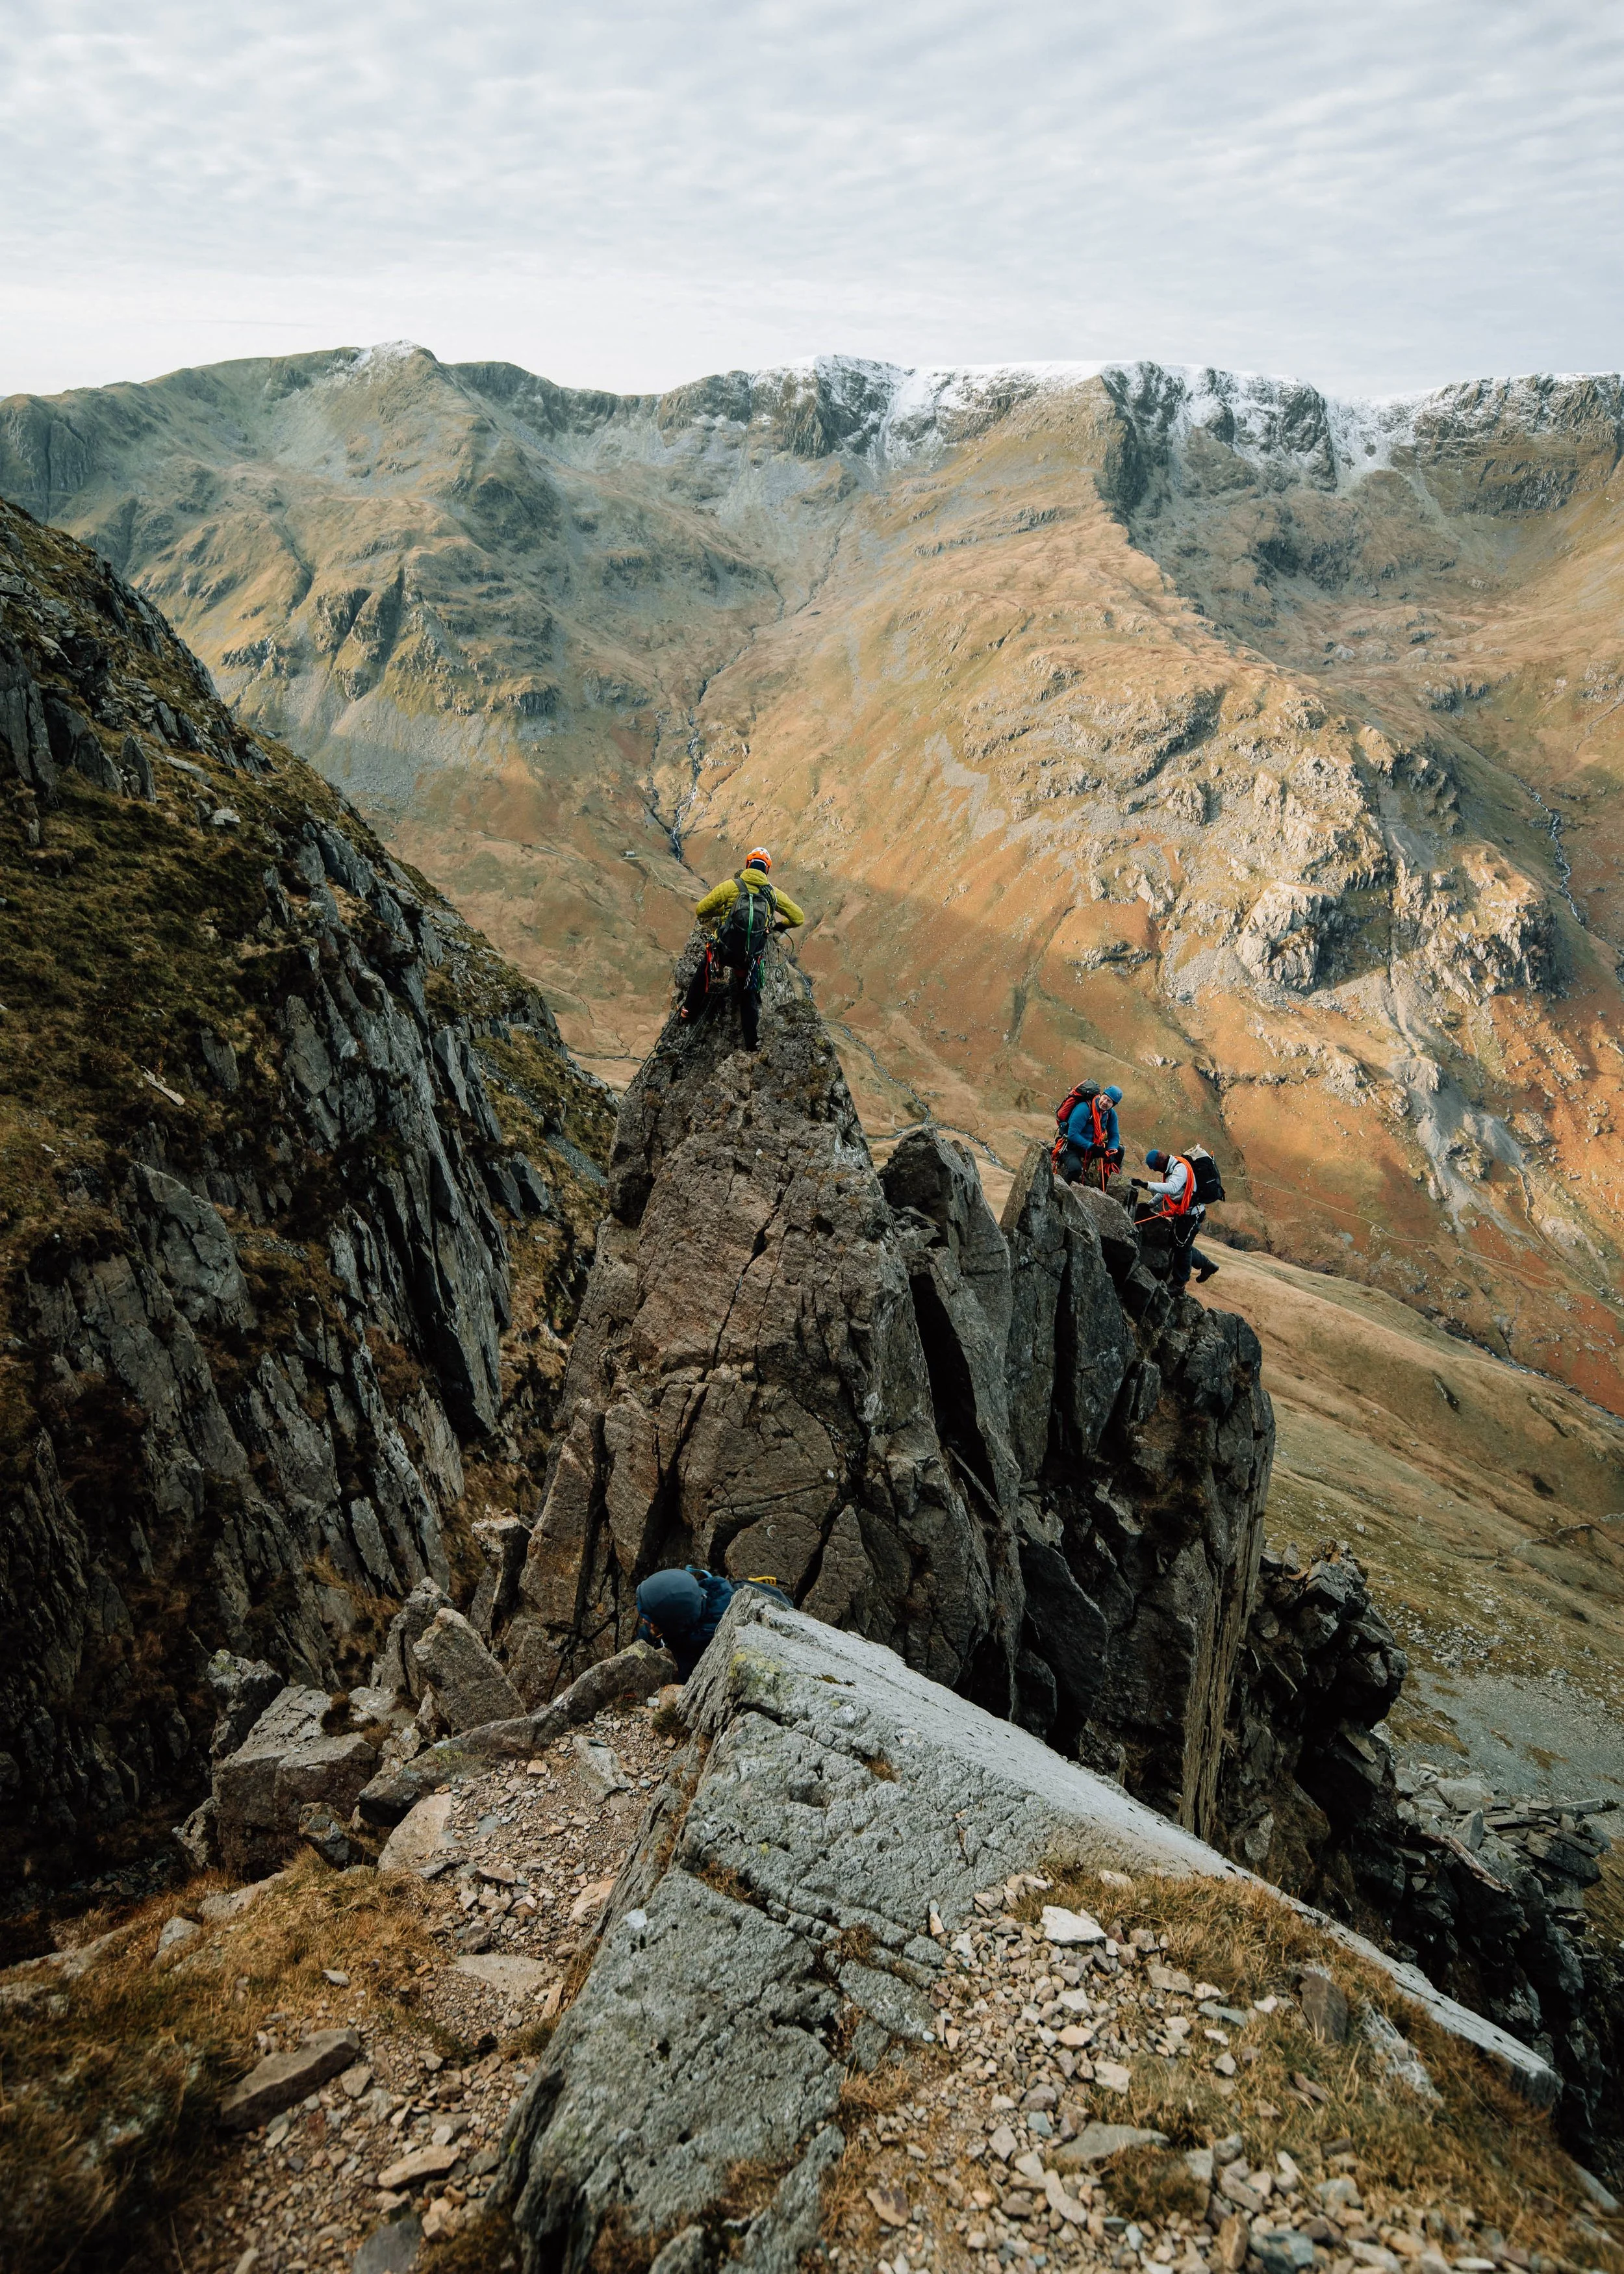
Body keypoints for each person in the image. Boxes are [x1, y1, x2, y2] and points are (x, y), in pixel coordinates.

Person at [679, 847, 806, 1051]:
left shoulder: (731, 887)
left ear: (748, 865)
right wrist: (780, 926)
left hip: (723, 950)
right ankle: (751, 1043)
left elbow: (701, 909)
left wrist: (724, 912)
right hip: (749, 958)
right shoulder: (773, 894)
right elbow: (798, 917)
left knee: (704, 970)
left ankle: (688, 1010)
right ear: (767, 870)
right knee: (748, 995)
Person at [634, 1566, 793, 1681]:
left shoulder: (695, 1655)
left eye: (650, 1620)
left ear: (673, 1625)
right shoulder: (701, 1594)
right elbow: (650, 1634)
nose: (644, 1621)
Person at [1132, 1148, 1219, 1288]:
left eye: (1154, 1168)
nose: (1155, 1171)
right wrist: (1150, 1205)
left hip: (1192, 1215)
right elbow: (1165, 1192)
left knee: (1182, 1247)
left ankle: (1180, 1283)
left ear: (1160, 1162)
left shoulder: (1180, 1168)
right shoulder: (1171, 1170)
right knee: (1178, 1243)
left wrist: (1145, 1185)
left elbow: (1172, 1188)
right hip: (1184, 1213)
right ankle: (1207, 1265)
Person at [1057, 1083, 1124, 1188]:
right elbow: (1072, 1134)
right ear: (1101, 1095)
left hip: (1092, 1147)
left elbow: (1114, 1135)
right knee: (1075, 1169)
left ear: (1113, 1105)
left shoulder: (1110, 1114)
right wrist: (1093, 1147)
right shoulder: (1085, 1108)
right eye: (1105, 1098)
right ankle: (1063, 1190)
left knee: (1119, 1151)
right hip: (1072, 1147)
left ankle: (1105, 1187)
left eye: (1109, 1102)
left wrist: (1112, 1150)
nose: (1105, 1102)